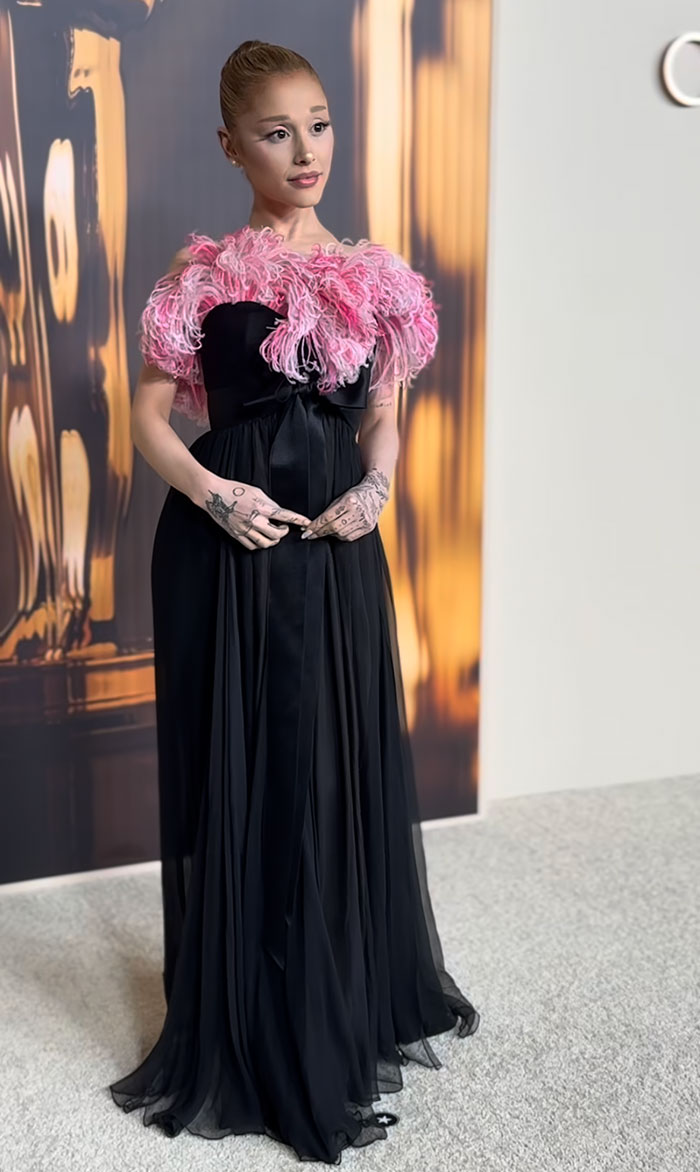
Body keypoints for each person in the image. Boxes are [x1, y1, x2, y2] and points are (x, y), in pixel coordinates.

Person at [109, 37, 480, 1166]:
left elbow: (383, 413)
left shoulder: (378, 278)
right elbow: (148, 420)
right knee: (244, 760)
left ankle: (328, 988)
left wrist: (377, 486)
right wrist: (216, 491)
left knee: (324, 758)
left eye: (318, 123)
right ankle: (244, 1007)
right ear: (231, 146)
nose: (305, 149)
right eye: (277, 131)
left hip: (328, 547)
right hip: (225, 544)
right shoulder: (201, 279)